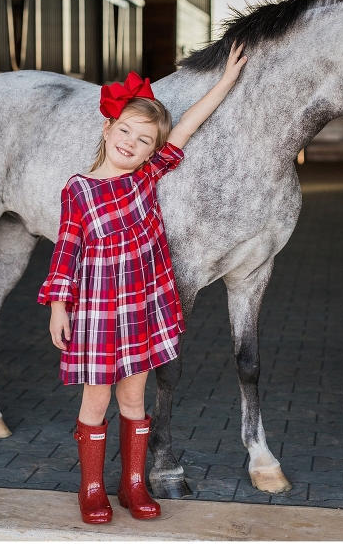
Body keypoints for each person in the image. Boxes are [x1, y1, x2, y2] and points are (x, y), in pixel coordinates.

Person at [39, 43, 247, 523]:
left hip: (141, 308)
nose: (131, 143)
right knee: (97, 399)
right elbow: (66, 250)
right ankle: (91, 487)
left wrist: (224, 82)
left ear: (155, 150)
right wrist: (58, 306)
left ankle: (133, 482)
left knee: (134, 396)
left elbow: (189, 125)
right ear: (108, 128)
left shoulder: (146, 177)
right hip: (95, 312)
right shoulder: (79, 188)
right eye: (126, 131)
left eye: (145, 140)